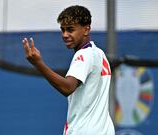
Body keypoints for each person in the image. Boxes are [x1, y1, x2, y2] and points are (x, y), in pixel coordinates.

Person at [22, 5, 115, 135]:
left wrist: (38, 64)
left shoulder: (84, 55)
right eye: (63, 30)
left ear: (86, 29)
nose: (65, 35)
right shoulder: (99, 53)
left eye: (70, 30)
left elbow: (68, 88)